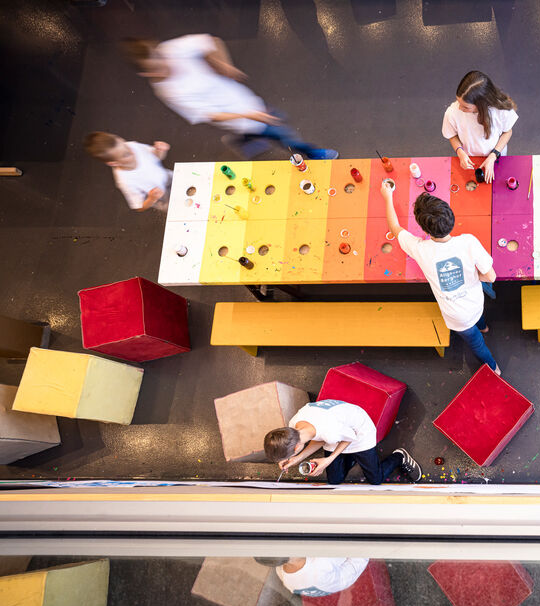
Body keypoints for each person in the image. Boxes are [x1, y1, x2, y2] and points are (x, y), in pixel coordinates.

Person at [123, 35, 337, 160]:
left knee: (270, 120)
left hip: (243, 98)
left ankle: (245, 142)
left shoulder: (171, 49)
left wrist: (222, 64)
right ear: (146, 73)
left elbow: (210, 41)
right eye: (156, 67)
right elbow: (210, 116)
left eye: (160, 58)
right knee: (283, 133)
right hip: (239, 116)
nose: (165, 64)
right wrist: (250, 115)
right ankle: (314, 153)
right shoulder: (169, 92)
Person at [382, 185, 500, 374]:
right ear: (451, 217)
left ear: (424, 229)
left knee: (476, 344)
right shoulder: (468, 241)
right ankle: (484, 327)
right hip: (476, 302)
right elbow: (490, 276)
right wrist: (470, 276)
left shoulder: (420, 249)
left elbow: (395, 227)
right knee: (479, 321)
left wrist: (387, 196)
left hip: (456, 317)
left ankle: (494, 369)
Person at [263, 398, 420, 484]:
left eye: (290, 454)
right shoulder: (294, 425)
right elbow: (316, 437)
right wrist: (296, 458)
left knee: (376, 479)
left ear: (297, 446)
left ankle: (399, 456)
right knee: (334, 480)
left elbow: (350, 437)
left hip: (359, 433)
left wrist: (329, 459)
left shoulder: (330, 431)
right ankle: (351, 458)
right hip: (338, 430)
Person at [442, 71, 518, 185]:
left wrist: (493, 155)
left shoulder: (501, 111)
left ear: (481, 104)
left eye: (466, 107)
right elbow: (451, 135)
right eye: (458, 102)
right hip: (471, 158)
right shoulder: (452, 113)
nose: (460, 108)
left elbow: (507, 132)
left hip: (497, 154)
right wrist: (460, 152)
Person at [84, 132, 172, 212]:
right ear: (113, 163)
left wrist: (160, 151)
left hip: (168, 176)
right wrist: (152, 199)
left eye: (125, 145)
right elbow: (139, 207)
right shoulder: (125, 181)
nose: (132, 151)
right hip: (162, 198)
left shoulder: (133, 146)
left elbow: (157, 157)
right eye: (126, 154)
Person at [254, 557, 369, 597]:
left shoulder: (283, 575)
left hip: (327, 583)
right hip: (347, 572)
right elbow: (353, 567)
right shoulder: (321, 564)